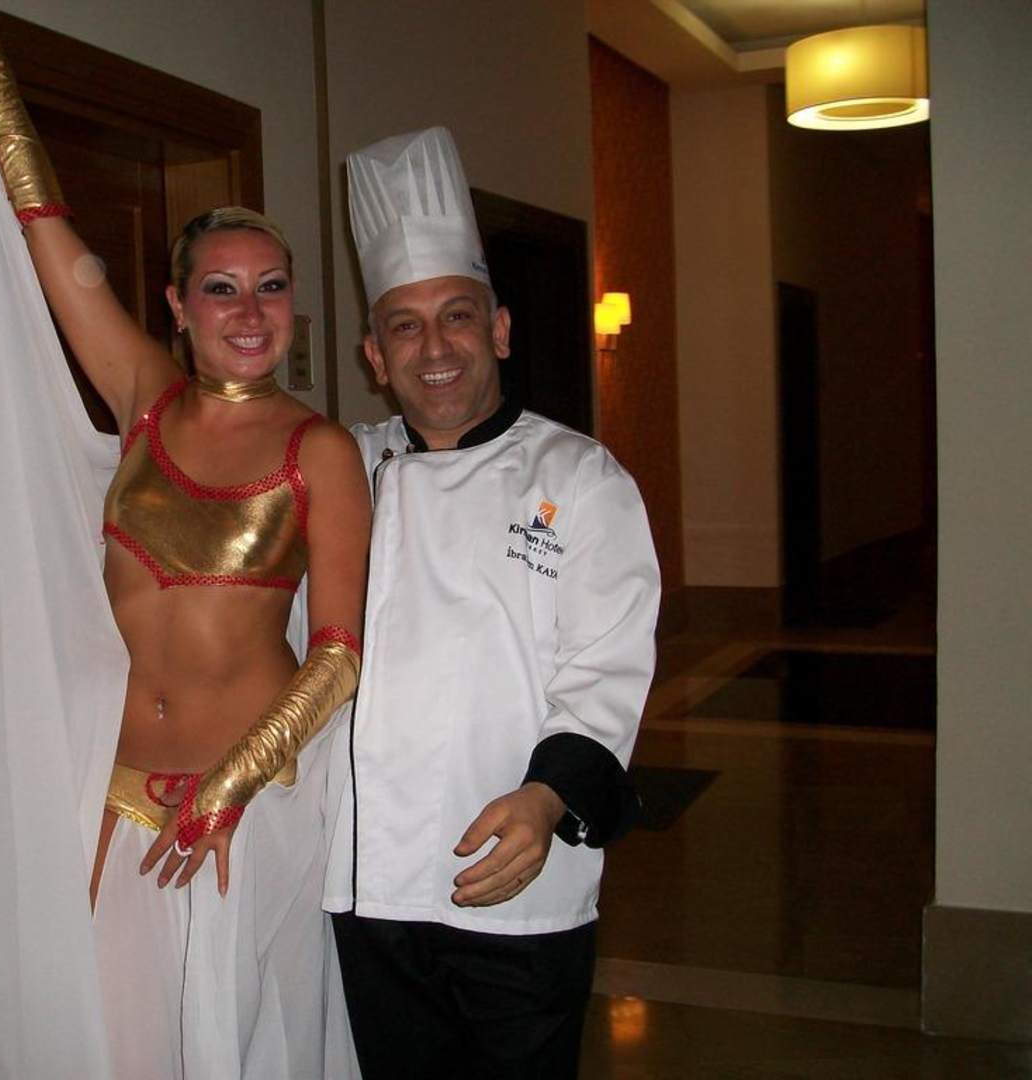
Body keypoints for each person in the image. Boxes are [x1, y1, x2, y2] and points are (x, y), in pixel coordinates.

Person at [0, 9, 371, 1077]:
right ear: (178, 306)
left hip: (244, 806)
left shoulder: (320, 449)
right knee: (111, 1046)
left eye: (271, 287)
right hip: (109, 785)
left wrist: (233, 784)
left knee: (231, 1049)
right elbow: (49, 239)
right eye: (221, 288)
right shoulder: (146, 399)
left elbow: (338, 655)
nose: (249, 311)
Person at [323, 127, 660, 1079]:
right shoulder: (342, 470)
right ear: (374, 354)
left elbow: (607, 671)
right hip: (367, 886)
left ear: (500, 330)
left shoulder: (581, 478)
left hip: (518, 887)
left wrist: (550, 797)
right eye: (404, 326)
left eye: (458, 316)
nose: (434, 347)